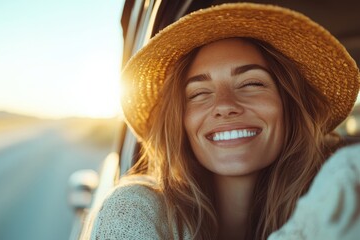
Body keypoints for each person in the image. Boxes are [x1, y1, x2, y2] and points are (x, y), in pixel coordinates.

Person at [82, 3, 360, 240]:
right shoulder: (133, 210)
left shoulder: (344, 196)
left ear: (289, 106)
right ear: (181, 121)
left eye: (251, 83)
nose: (225, 105)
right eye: (200, 93)